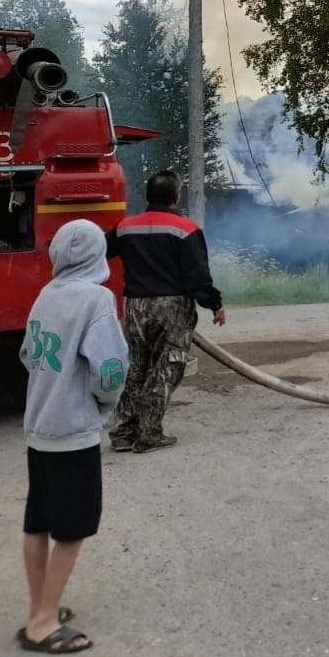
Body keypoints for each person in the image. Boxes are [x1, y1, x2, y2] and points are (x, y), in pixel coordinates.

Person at [17, 219, 128, 654]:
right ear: (99, 255)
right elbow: (111, 369)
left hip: (39, 427)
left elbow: (27, 353)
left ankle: (39, 608)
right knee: (72, 529)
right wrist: (102, 405)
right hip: (73, 433)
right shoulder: (97, 299)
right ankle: (43, 623)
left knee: (38, 521)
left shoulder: (47, 294)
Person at [106, 171, 224, 453]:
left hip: (134, 307)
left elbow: (99, 250)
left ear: (148, 196)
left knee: (136, 369)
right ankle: (149, 433)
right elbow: (197, 276)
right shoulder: (186, 229)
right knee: (166, 370)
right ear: (176, 197)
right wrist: (214, 304)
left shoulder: (125, 227)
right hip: (171, 309)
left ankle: (123, 432)